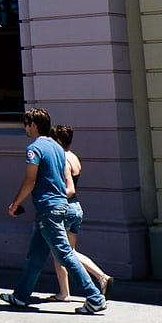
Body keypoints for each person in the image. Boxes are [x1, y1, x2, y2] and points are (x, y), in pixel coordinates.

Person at [0, 108, 106, 314]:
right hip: (58, 206)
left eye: (26, 124)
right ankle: (21, 296)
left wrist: (15, 203)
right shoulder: (57, 148)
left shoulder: (34, 148)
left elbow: (30, 180)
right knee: (36, 254)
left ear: (33, 125)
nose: (25, 128)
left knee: (65, 254)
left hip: (48, 208)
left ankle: (94, 297)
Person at [47, 125, 112, 301]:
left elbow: (70, 189)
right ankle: (64, 292)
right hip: (76, 209)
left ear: (59, 140)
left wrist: (52, 196)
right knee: (67, 251)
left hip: (66, 207)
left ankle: (100, 277)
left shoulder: (62, 159)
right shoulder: (74, 157)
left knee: (64, 252)